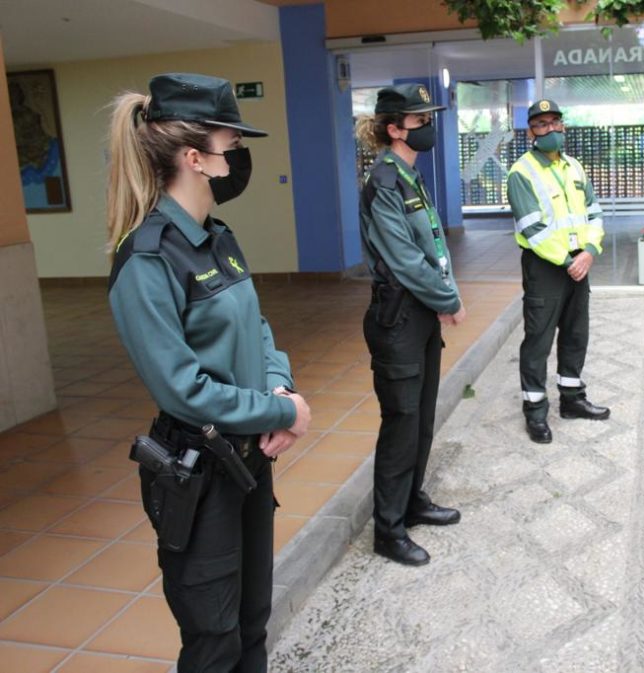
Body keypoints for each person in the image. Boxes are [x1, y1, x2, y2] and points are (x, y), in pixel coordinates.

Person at [106, 73, 312, 672]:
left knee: (252, 624)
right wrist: (284, 413)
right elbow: (182, 389)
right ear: (196, 158)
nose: (240, 157)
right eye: (233, 144)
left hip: (247, 460)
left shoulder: (217, 237)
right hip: (199, 472)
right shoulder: (147, 259)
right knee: (214, 643)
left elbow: (259, 327)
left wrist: (278, 385)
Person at [356, 84, 465, 567]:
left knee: (421, 416)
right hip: (397, 316)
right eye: (420, 121)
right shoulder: (383, 180)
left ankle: (412, 501)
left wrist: (439, 295)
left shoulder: (408, 175)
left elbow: (432, 246)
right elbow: (403, 260)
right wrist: (449, 298)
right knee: (401, 423)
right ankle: (388, 529)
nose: (429, 127)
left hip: (419, 313)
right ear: (394, 128)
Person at [506, 99, 610, 444]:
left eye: (555, 122)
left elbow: (594, 213)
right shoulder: (521, 172)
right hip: (546, 267)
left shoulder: (575, 167)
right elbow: (532, 229)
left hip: (580, 263)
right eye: (541, 125)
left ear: (563, 125)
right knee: (539, 340)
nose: (550, 130)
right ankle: (535, 412)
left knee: (576, 334)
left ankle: (572, 399)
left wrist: (591, 251)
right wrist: (570, 261)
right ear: (530, 132)